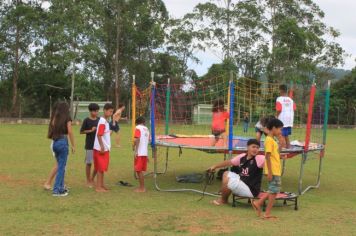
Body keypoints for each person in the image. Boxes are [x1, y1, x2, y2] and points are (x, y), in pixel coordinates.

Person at [208, 139, 265, 206]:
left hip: (251, 190)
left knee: (228, 180)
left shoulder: (259, 158)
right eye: (253, 147)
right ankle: (224, 198)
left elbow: (269, 159)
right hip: (242, 183)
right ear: (247, 147)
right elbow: (229, 162)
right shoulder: (242, 157)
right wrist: (215, 166)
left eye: (257, 148)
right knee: (226, 173)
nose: (255, 149)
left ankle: (223, 201)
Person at [251, 118, 284, 220]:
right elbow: (268, 156)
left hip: (275, 169)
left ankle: (260, 204)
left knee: (273, 191)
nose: (280, 132)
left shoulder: (272, 140)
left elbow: (275, 154)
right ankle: (264, 210)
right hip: (273, 170)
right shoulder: (269, 140)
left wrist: (281, 146)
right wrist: (269, 172)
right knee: (273, 191)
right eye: (279, 129)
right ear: (273, 128)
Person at [47, 102, 75, 197]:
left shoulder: (55, 118)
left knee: (60, 166)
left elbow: (52, 127)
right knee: (61, 168)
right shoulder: (67, 118)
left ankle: (61, 187)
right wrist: (73, 145)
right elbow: (70, 131)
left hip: (55, 143)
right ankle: (57, 190)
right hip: (63, 142)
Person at [93, 103, 114, 192]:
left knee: (102, 168)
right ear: (105, 110)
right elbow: (99, 135)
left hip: (104, 148)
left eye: (112, 112)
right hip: (100, 149)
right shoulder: (102, 121)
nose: (111, 113)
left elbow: (106, 134)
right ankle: (98, 187)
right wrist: (102, 147)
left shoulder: (105, 121)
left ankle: (101, 185)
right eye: (110, 111)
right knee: (100, 169)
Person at [80, 103, 100, 187]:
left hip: (98, 145)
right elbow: (81, 131)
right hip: (89, 145)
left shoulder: (100, 120)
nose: (97, 112)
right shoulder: (86, 120)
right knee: (89, 163)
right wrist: (90, 131)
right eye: (95, 111)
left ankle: (92, 178)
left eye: (97, 111)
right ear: (91, 111)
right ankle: (88, 180)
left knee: (98, 164)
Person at [133, 116, 150, 193]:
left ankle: (142, 188)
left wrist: (136, 151)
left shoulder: (138, 128)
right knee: (139, 170)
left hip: (139, 153)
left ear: (137, 123)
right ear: (143, 122)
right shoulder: (147, 129)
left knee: (138, 170)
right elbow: (147, 141)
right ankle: (142, 187)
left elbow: (137, 138)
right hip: (145, 153)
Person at [276, 84, 296, 149]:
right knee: (286, 135)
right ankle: (289, 148)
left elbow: (279, 109)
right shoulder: (291, 99)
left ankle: (283, 151)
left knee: (281, 136)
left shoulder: (279, 99)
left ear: (281, 90)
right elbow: (294, 109)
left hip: (282, 120)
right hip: (289, 120)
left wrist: (276, 116)